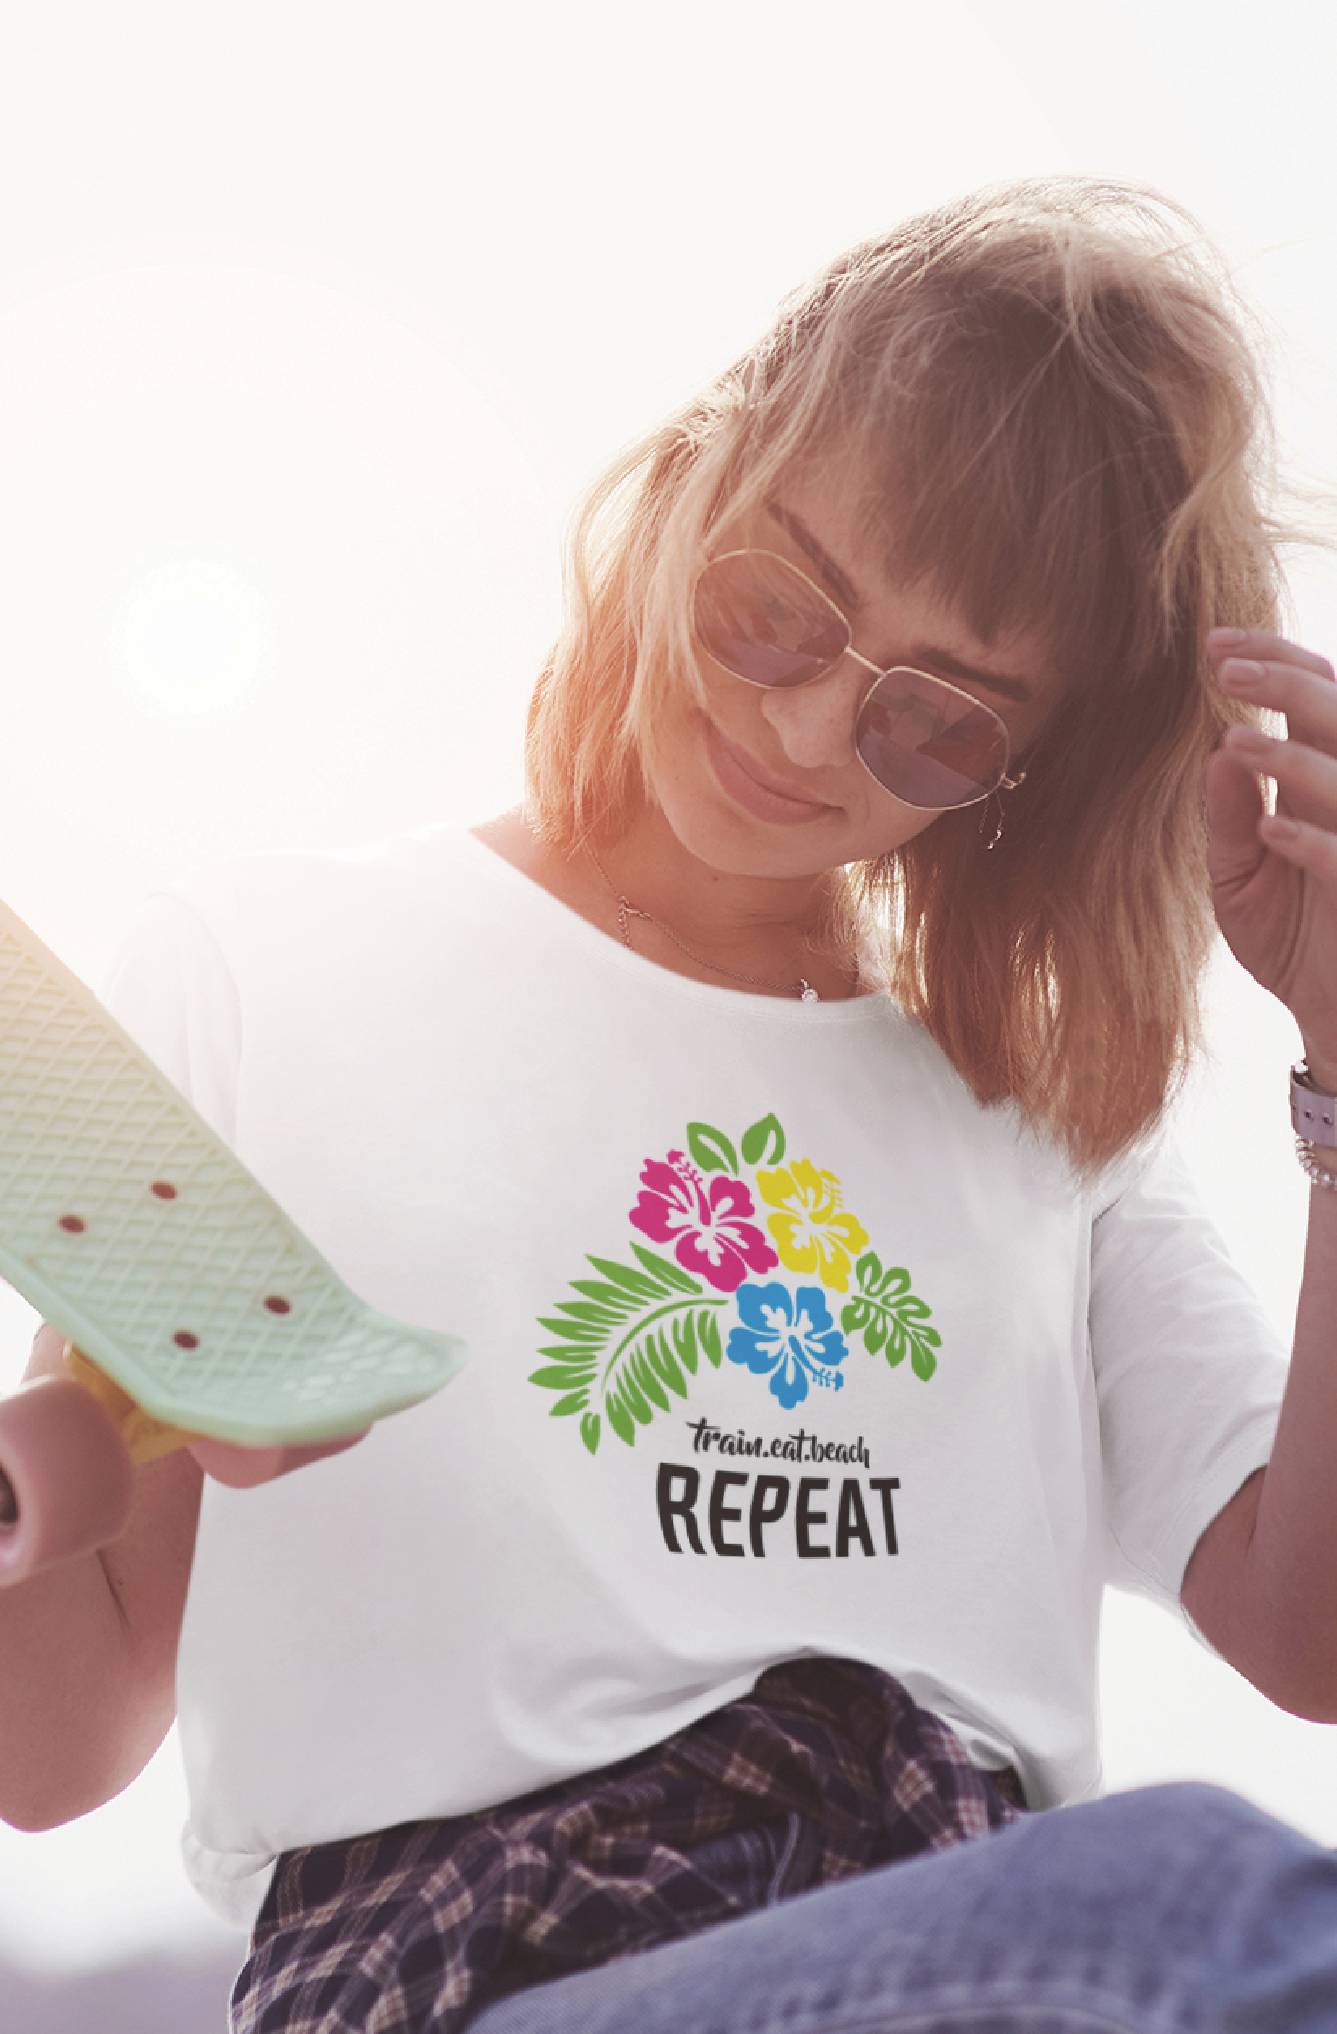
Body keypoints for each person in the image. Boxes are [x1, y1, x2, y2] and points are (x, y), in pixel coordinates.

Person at [4, 175, 1337, 2033]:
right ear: (693, 480)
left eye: (931, 721)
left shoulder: (1033, 1107)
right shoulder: (263, 975)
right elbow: (61, 1737)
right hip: (475, 1966)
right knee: (1194, 1898)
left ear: (1022, 773)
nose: (801, 733)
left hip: (981, 1948)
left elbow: (1314, 1625)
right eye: (776, 608)